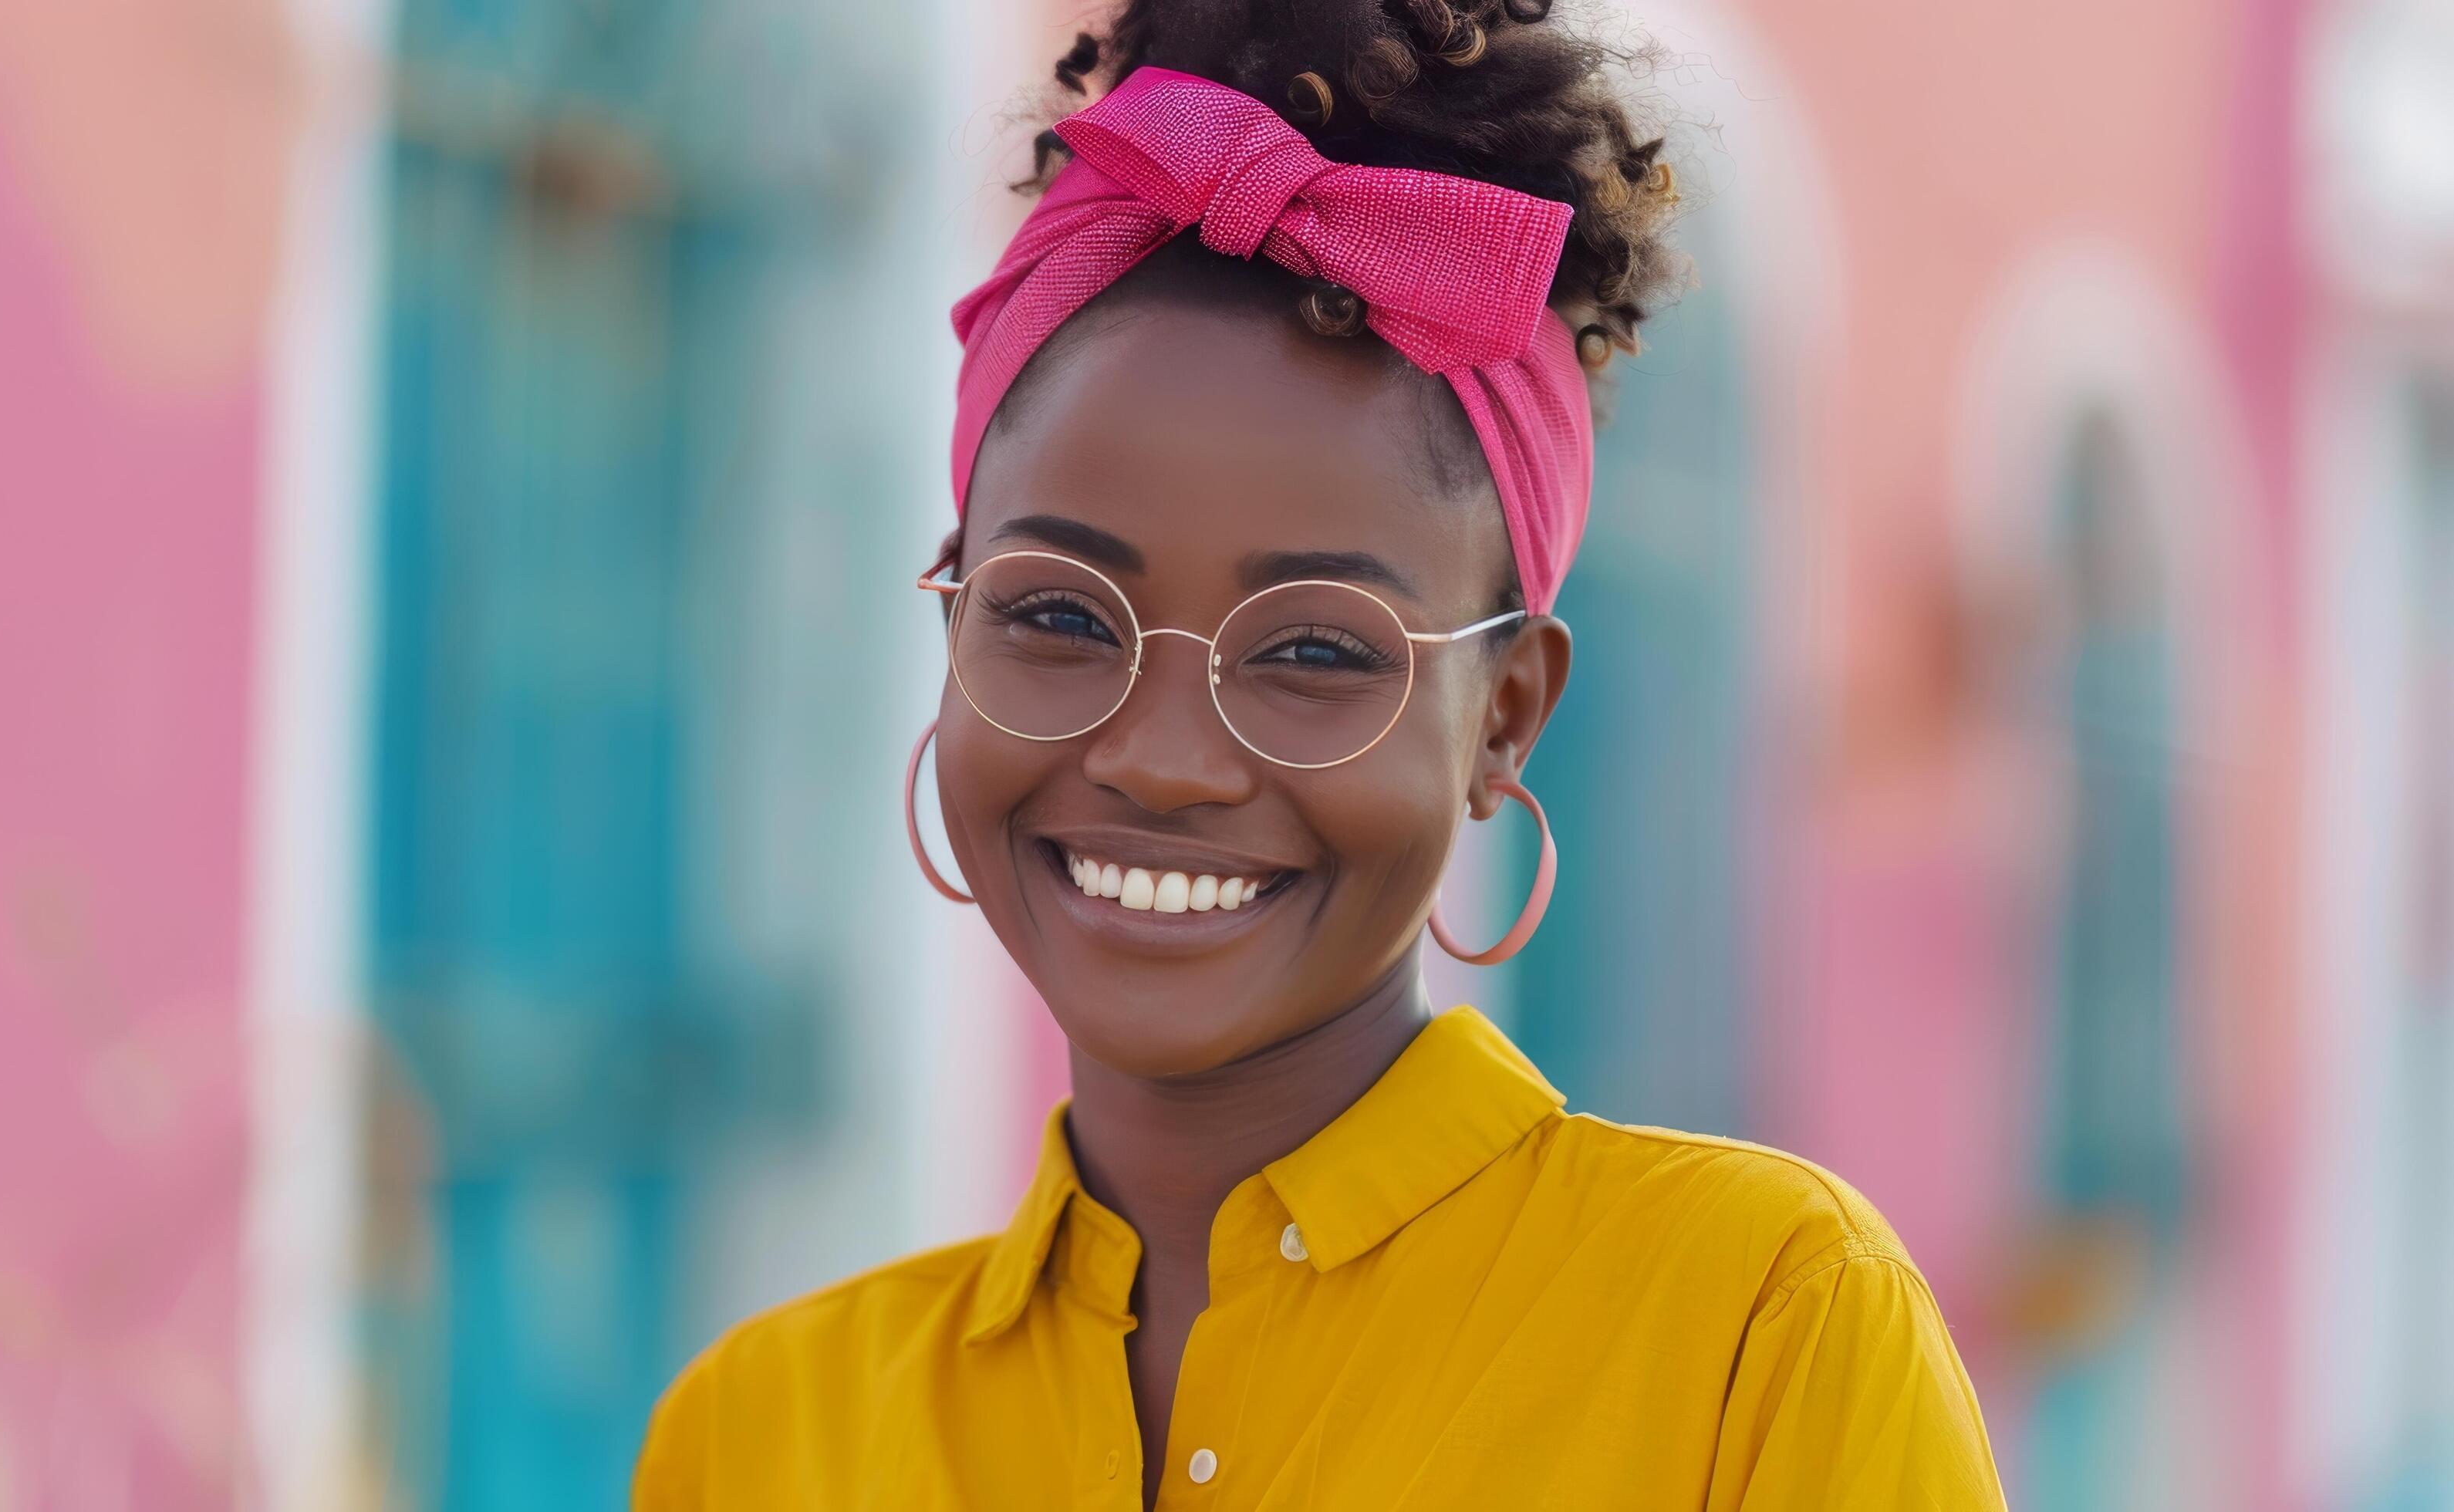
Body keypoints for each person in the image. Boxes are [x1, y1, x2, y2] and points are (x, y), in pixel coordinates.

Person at [636, 2, 2007, 1506]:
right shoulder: (762, 1434)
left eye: (1311, 651)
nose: (1161, 759)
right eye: (1058, 615)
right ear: (954, 619)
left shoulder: (1761, 1329)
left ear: (1504, 714)